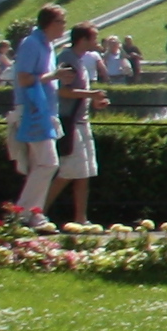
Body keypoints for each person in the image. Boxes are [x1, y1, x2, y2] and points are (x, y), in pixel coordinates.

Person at [50, 21, 105, 223]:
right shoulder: (68, 58)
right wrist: (92, 94)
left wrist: (93, 100)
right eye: (94, 37)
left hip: (81, 121)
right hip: (72, 123)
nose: (97, 42)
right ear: (83, 39)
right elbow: (62, 90)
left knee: (84, 173)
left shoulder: (79, 59)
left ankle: (81, 218)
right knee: (67, 173)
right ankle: (36, 213)